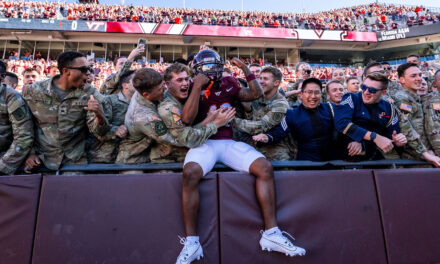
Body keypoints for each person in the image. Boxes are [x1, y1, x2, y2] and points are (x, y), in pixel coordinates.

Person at [176, 50, 305, 264]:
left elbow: (255, 94)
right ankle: (192, 242)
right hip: (204, 142)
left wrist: (245, 69)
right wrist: (197, 86)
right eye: (205, 67)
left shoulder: (229, 82)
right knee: (190, 173)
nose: (209, 71)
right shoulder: (191, 85)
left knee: (264, 167)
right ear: (196, 69)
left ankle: (272, 233)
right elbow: (187, 119)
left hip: (227, 141)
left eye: (212, 66)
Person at [23, 51, 109, 173]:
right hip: (41, 160)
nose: (88, 73)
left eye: (90, 69)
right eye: (84, 69)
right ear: (66, 71)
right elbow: (24, 125)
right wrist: (29, 153)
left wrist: (99, 114)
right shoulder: (34, 91)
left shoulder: (90, 93)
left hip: (74, 161)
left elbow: (100, 132)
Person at [156, 63, 235, 163]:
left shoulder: (182, 97)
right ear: (167, 84)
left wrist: (207, 120)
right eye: (179, 80)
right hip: (167, 161)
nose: (185, 83)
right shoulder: (168, 108)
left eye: (186, 79)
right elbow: (189, 139)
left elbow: (188, 130)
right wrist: (216, 124)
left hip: (181, 156)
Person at [253, 78, 343, 161]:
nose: (313, 96)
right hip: (307, 160)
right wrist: (267, 137)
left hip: (333, 159)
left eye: (317, 92)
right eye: (309, 92)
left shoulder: (330, 108)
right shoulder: (292, 114)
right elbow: (279, 131)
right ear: (301, 94)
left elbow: (347, 123)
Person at [334, 72, 407, 160]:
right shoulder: (351, 98)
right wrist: (374, 137)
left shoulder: (389, 107)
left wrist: (398, 140)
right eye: (364, 87)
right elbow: (341, 123)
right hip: (350, 156)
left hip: (378, 156)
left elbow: (393, 134)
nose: (366, 92)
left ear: (383, 93)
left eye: (372, 90)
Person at [116, 68, 181, 165]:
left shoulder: (145, 89)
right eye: (160, 89)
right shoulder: (143, 116)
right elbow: (170, 139)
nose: (164, 89)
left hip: (148, 153)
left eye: (163, 85)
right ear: (146, 94)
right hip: (133, 160)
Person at [234, 66, 291, 160]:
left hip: (273, 148)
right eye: (260, 78)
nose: (260, 81)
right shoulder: (256, 97)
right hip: (252, 144)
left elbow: (261, 127)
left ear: (276, 83)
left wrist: (231, 121)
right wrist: (248, 110)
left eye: (265, 79)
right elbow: (252, 117)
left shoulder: (281, 104)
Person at [390, 63, 440, 166]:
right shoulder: (403, 99)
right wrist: (425, 152)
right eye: (413, 76)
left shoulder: (414, 98)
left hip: (423, 156)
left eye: (420, 75)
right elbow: (405, 128)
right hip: (415, 158)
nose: (419, 79)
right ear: (402, 80)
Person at [88, 70, 135, 163]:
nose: (140, 82)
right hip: (105, 157)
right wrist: (115, 130)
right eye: (136, 80)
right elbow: (98, 131)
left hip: (130, 157)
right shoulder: (109, 100)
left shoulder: (143, 103)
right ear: (125, 85)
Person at [0, 61, 33, 175]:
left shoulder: (11, 97)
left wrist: (3, 167)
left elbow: (24, 137)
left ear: (2, 76)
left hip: (3, 158)